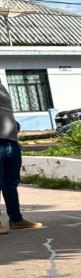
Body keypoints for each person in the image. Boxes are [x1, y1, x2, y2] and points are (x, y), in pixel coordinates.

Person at [0, 77, 43, 234]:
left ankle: (16, 220)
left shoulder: (2, 88)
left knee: (11, 183)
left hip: (11, 142)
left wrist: (14, 125)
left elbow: (6, 111)